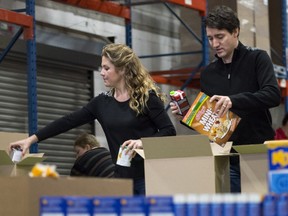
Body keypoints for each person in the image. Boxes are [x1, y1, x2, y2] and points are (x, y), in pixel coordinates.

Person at [9, 43, 176, 195]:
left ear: (123, 69)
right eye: (101, 68)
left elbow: (169, 131)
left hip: (149, 178)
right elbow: (67, 121)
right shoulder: (101, 103)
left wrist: (143, 142)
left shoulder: (147, 98)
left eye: (106, 68)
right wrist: (31, 140)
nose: (101, 73)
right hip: (121, 178)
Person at [170, 5, 281, 193]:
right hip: (227, 157)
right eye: (210, 38)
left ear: (236, 32)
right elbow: (213, 125)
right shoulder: (208, 74)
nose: (214, 44)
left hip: (258, 153)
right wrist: (188, 115)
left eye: (220, 37)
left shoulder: (257, 59)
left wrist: (233, 101)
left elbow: (272, 95)